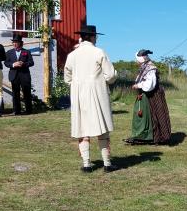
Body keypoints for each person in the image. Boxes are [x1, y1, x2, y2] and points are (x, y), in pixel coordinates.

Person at [64, 25, 118, 172]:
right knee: (102, 129)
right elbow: (111, 75)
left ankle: (87, 164)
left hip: (79, 94)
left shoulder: (72, 55)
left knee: (82, 129)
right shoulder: (98, 52)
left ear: (82, 36)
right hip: (97, 93)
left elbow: (67, 77)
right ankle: (107, 164)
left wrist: (76, 84)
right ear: (93, 37)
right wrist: (102, 82)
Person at [126, 49, 172, 145]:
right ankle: (146, 136)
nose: (136, 61)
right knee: (149, 115)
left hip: (154, 94)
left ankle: (159, 137)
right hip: (148, 94)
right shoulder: (145, 67)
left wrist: (138, 86)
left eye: (137, 59)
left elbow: (149, 85)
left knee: (157, 114)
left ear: (140, 59)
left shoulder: (150, 68)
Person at [4, 33, 34, 115]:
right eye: (13, 42)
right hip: (14, 75)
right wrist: (13, 64)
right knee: (15, 93)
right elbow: (6, 63)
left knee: (27, 92)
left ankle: (28, 110)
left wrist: (23, 63)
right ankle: (16, 111)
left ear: (20, 43)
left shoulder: (26, 52)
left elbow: (31, 62)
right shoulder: (9, 52)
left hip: (24, 75)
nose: (14, 44)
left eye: (16, 42)